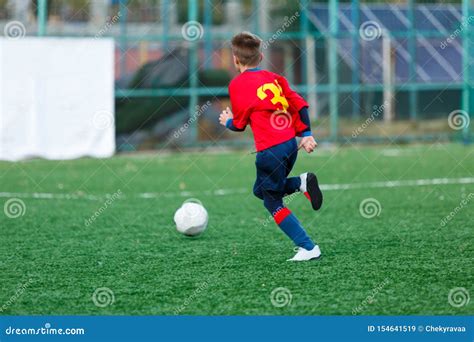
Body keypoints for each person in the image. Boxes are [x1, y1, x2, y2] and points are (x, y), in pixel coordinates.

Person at [219, 32, 324, 261]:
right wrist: (306, 133)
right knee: (260, 190)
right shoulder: (276, 78)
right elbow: (300, 104)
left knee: (271, 201)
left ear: (235, 60)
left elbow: (238, 125)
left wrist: (226, 120)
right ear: (262, 56)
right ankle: (301, 182)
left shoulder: (238, 84)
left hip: (270, 151)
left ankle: (308, 247)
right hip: (289, 145)